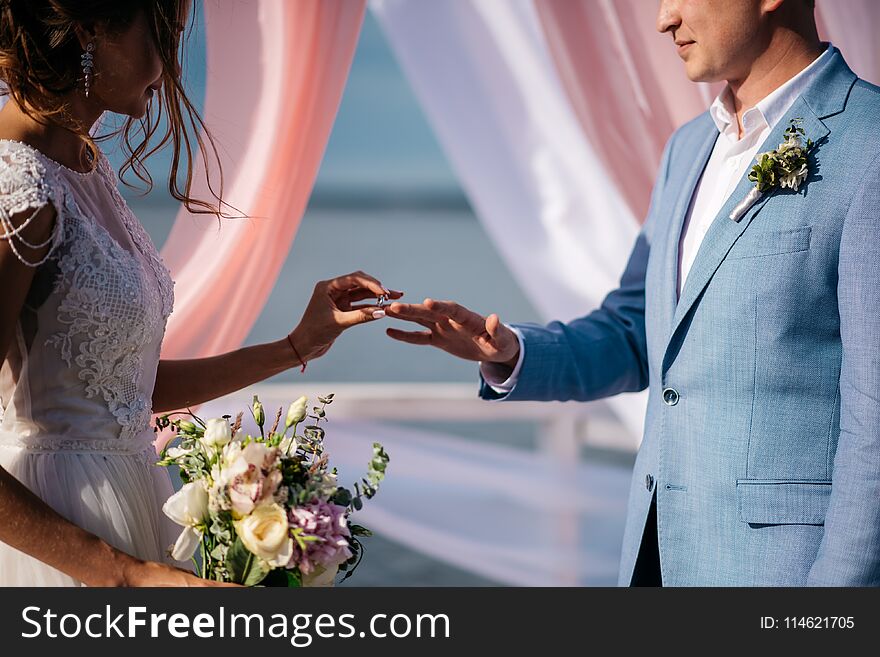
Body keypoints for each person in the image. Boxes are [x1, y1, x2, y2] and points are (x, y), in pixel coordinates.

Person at [386, 0, 880, 586]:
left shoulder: (869, 146)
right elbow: (635, 332)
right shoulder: (689, 149)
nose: (663, 20)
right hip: (653, 562)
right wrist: (510, 352)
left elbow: (874, 423)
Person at [0, 0, 397, 586]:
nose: (167, 69)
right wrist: (129, 577)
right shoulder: (18, 185)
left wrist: (296, 347)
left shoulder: (83, 162)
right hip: (61, 539)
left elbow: (122, 390)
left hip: (135, 507)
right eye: (163, 37)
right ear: (90, 29)